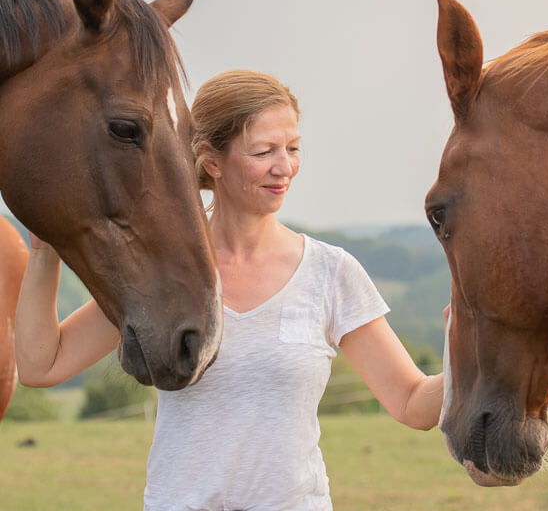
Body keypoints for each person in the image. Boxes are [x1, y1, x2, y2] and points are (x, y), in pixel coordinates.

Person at [16, 69, 445, 511]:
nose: (286, 167)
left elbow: (412, 403)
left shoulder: (330, 272)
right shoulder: (161, 270)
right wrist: (45, 252)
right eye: (264, 152)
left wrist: (478, 354)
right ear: (212, 161)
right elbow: (41, 365)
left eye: (293, 148)